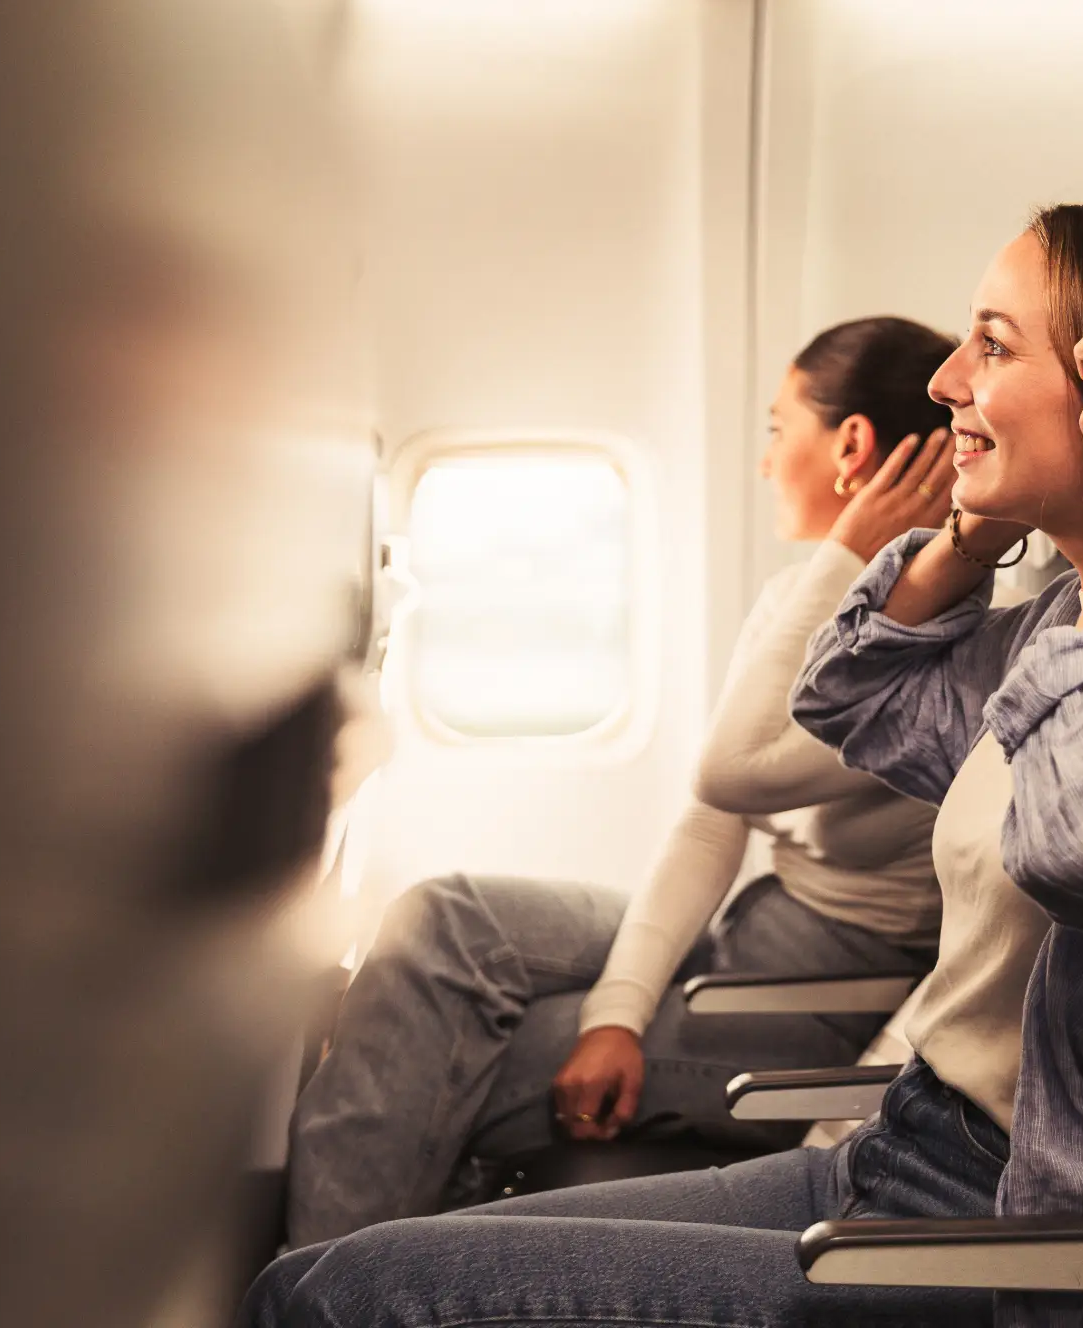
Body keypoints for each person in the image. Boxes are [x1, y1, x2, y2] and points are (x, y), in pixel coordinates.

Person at [241, 198, 1083, 1328]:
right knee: (335, 1273)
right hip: (905, 1152)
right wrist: (969, 532)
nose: (947, 381)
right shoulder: (1079, 608)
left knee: (325, 1301)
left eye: (992, 346)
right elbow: (853, 697)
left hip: (1019, 1238)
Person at [286, 316, 960, 1247]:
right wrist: (616, 1013)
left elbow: (734, 771)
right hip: (748, 937)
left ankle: (314, 1284)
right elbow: (710, 820)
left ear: (849, 446)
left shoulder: (952, 636)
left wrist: (848, 553)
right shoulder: (796, 596)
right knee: (445, 915)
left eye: (778, 429)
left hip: (812, 995)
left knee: (435, 1059)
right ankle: (326, 1275)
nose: (765, 461)